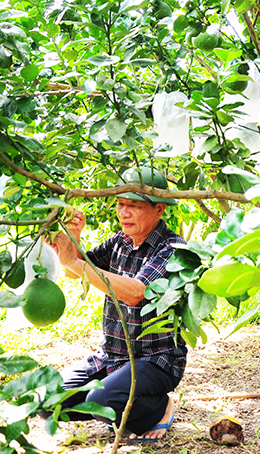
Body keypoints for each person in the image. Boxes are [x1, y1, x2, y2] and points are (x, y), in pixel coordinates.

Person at [45, 166, 186, 442]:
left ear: (159, 209)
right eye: (121, 204)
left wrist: (75, 261)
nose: (124, 213)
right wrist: (72, 241)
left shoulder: (173, 249)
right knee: (48, 400)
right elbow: (82, 271)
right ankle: (117, 405)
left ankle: (158, 408)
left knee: (102, 399)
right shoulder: (119, 242)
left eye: (133, 206)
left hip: (154, 360)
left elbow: (137, 292)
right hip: (111, 356)